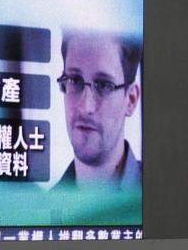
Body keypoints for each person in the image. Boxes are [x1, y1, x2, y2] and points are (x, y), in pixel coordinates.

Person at [53, 29, 142, 192]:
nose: (86, 107)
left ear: (131, 100)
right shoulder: (39, 213)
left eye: (103, 85)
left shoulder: (168, 194)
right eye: (74, 80)